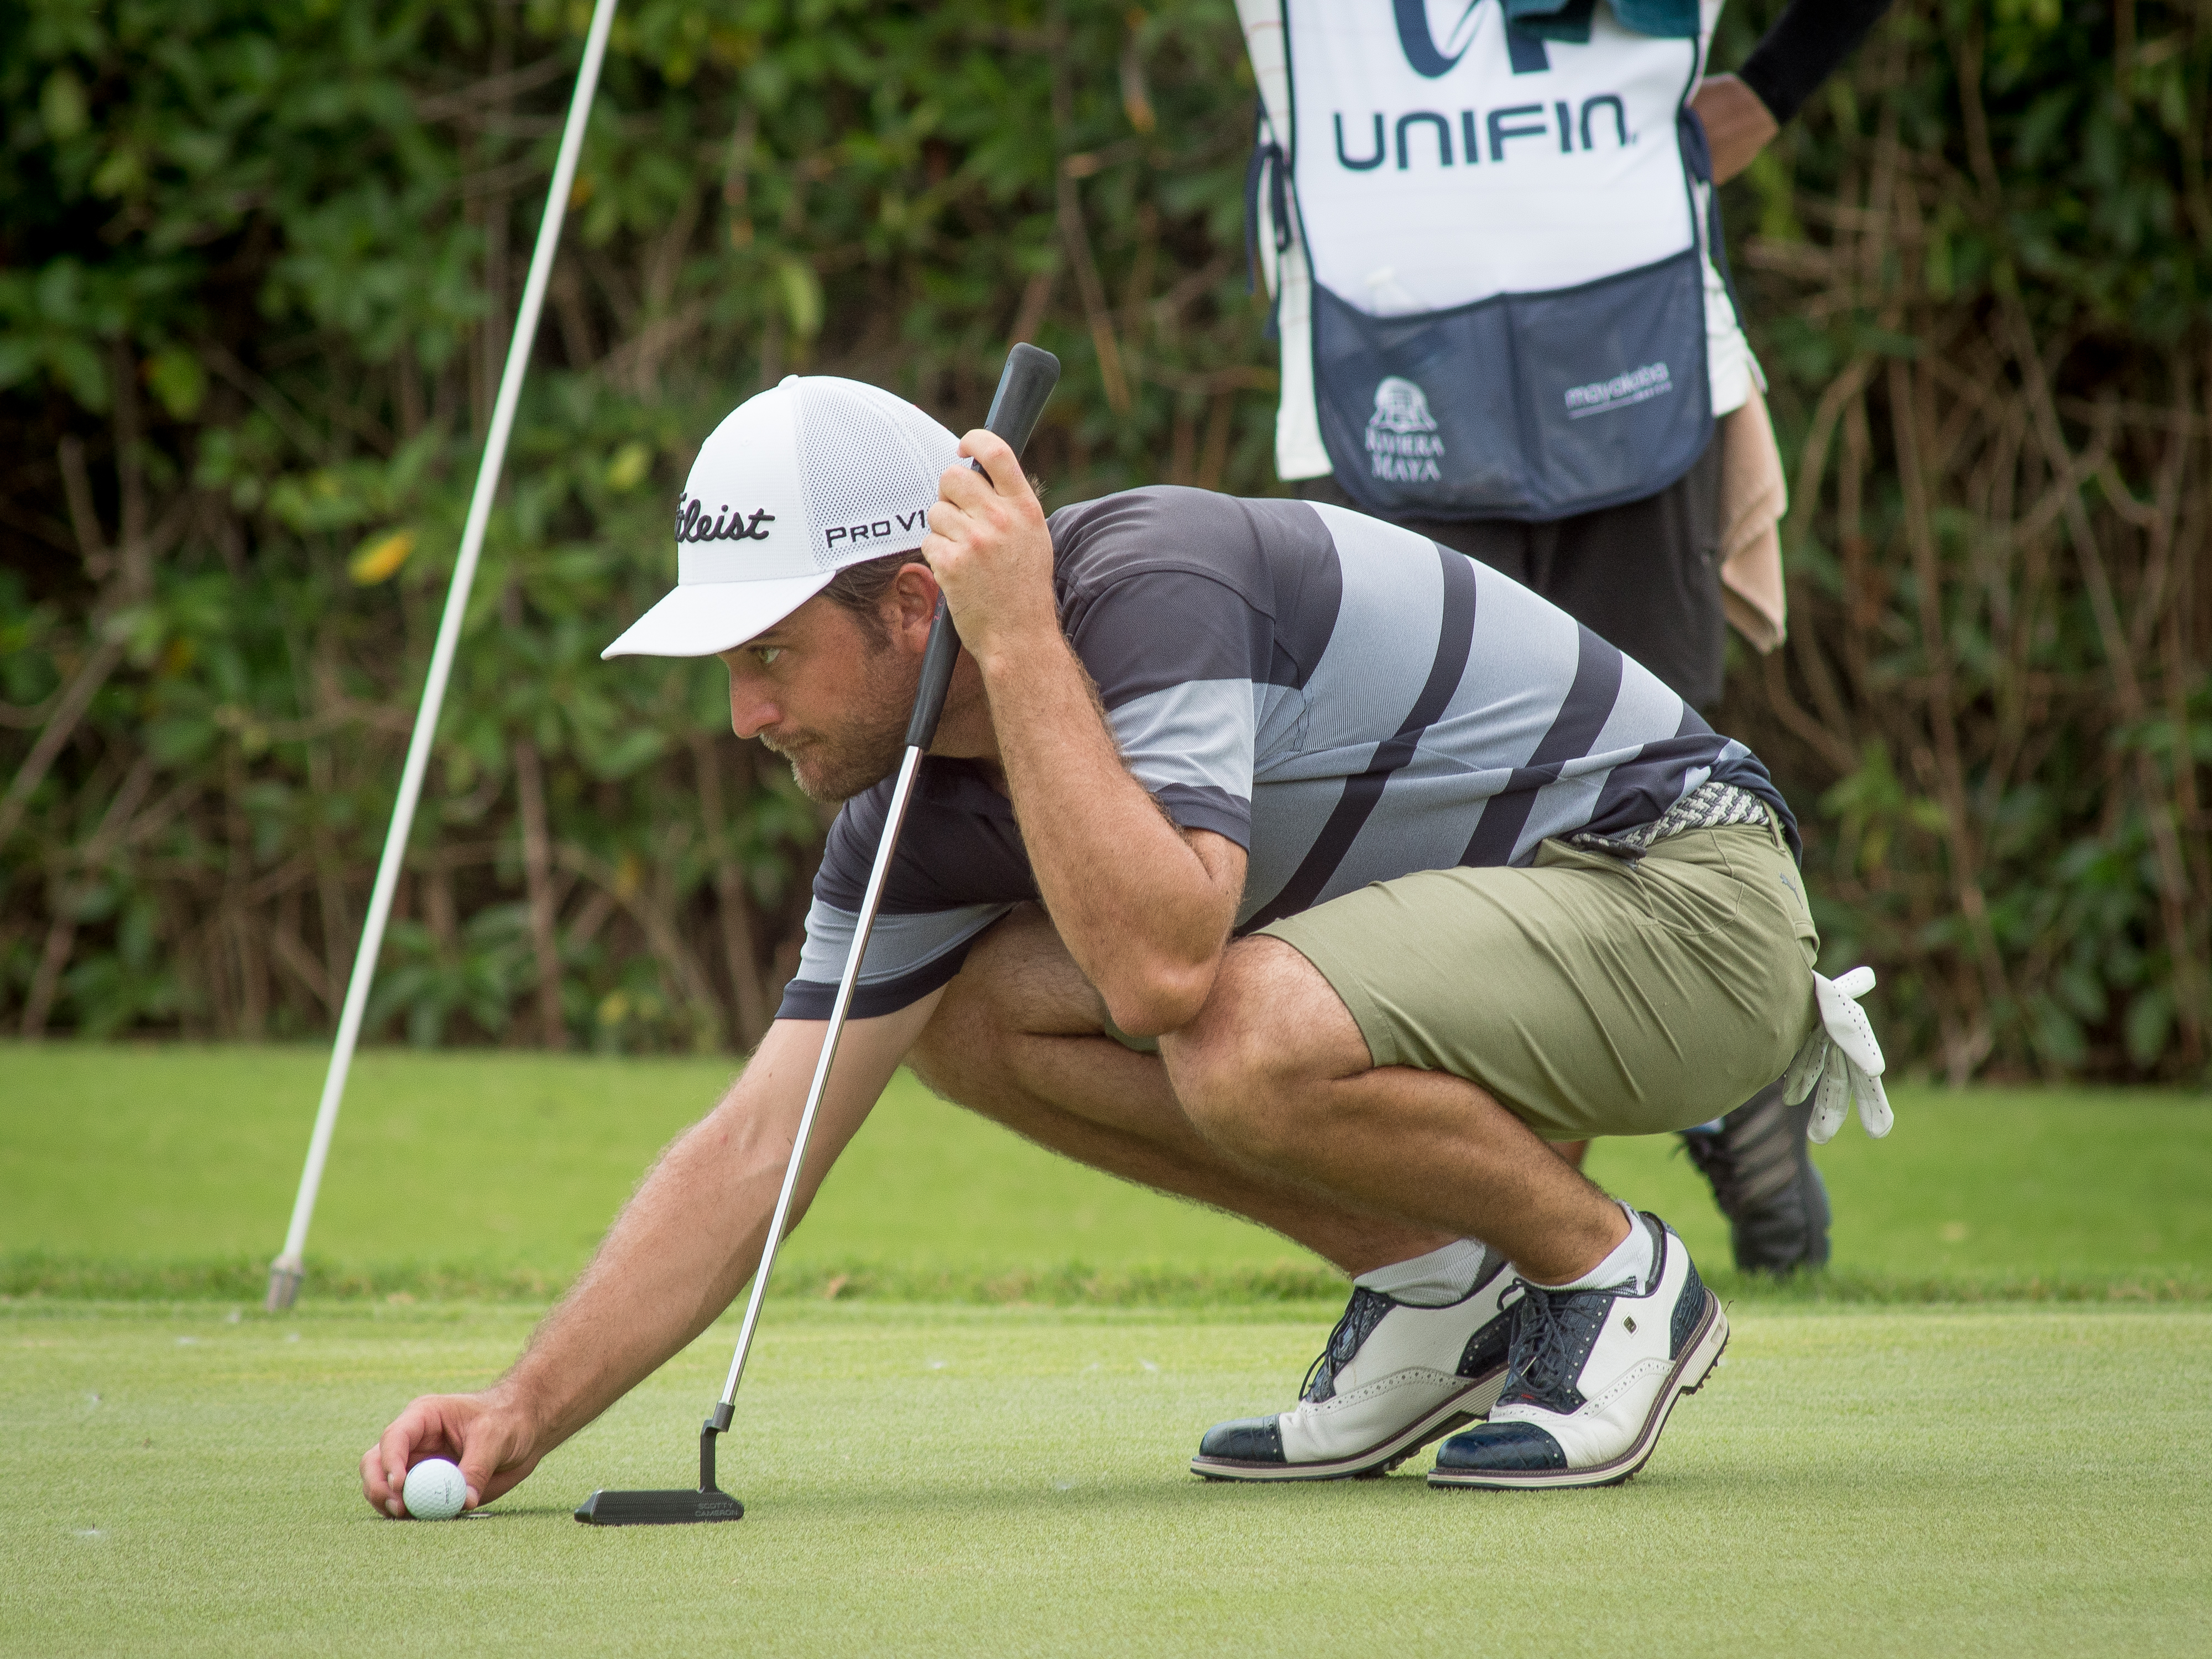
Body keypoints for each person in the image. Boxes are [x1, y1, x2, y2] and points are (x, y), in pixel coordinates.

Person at [362, 374, 1870, 1512]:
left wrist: (1015, 639)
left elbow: (1161, 973)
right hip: (1528, 962)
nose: (745, 715)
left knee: (1234, 1024)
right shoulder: (905, 815)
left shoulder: (1150, 587)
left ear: (911, 605)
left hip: (1691, 906)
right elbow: (764, 1140)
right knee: (965, 1013)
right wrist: (523, 1410)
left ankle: (1613, 1276)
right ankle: (1440, 1284)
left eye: (770, 657)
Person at [1235, 0, 1894, 1272]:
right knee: (1420, 836)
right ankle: (1517, 1243)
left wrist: (1774, 86)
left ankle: (1649, 1152)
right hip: (1382, 362)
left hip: (1631, 348)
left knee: (1654, 802)